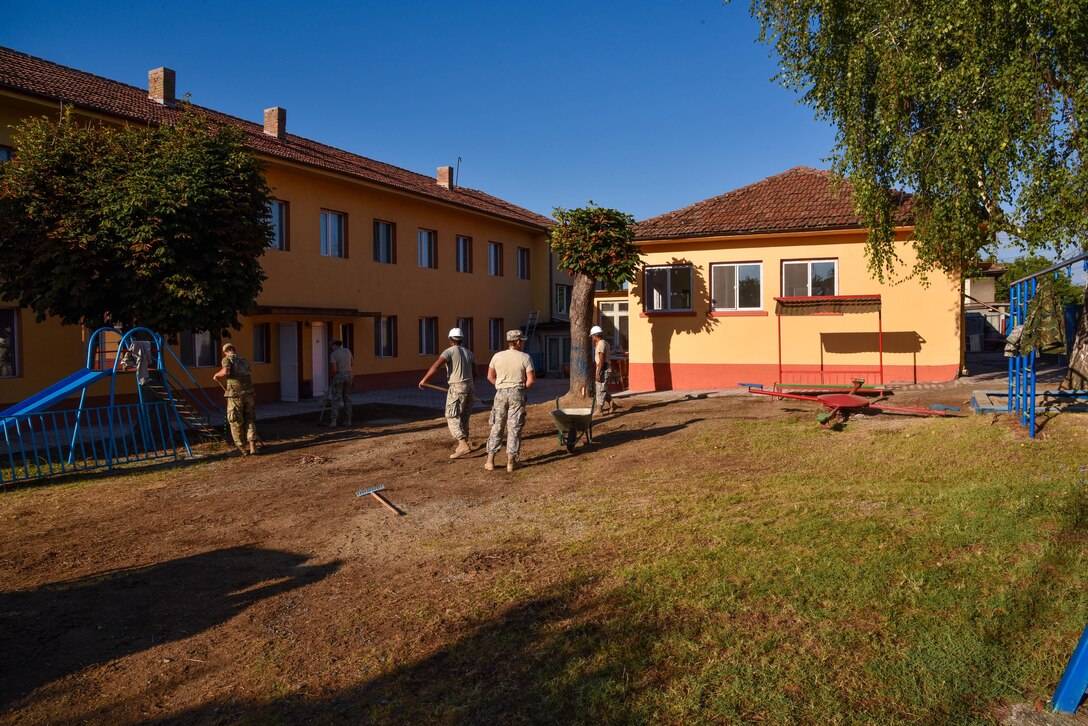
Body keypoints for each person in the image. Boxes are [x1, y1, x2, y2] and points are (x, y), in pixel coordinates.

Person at [418, 327, 477, 459]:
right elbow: (475, 373)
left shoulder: (449, 352)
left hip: (457, 387)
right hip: (470, 386)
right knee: (463, 417)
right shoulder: (469, 353)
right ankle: (464, 443)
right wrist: (472, 388)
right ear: (461, 339)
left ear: (450, 340)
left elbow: (436, 366)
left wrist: (424, 380)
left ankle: (462, 444)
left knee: (451, 415)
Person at [485, 329, 535, 472]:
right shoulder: (525, 357)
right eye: (522, 340)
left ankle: (490, 461)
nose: (523, 342)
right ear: (518, 342)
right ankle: (511, 463)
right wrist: (519, 389)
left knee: (497, 425)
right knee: (514, 427)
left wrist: (501, 386)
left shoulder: (497, 356)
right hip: (517, 393)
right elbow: (531, 380)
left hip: (500, 394)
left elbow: (489, 376)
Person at [213, 342, 260, 456]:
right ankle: (253, 446)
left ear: (225, 351)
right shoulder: (243, 360)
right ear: (234, 349)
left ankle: (243, 449)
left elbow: (225, 371)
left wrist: (216, 375)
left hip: (235, 395)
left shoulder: (227, 359)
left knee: (235, 421)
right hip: (249, 394)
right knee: (250, 420)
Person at [325, 338, 354, 427]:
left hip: (339, 376)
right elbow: (352, 363)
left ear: (334, 345)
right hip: (349, 375)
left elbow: (334, 369)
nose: (331, 348)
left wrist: (332, 376)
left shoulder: (333, 354)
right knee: (347, 397)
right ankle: (349, 420)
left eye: (331, 346)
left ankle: (334, 421)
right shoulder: (348, 351)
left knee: (336, 398)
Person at [590, 325, 616, 414]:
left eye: (592, 336)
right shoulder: (606, 343)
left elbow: (601, 359)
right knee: (603, 388)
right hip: (605, 368)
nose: (592, 338)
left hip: (603, 368)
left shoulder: (601, 344)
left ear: (595, 335)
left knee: (600, 390)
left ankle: (599, 410)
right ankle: (612, 403)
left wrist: (598, 373)